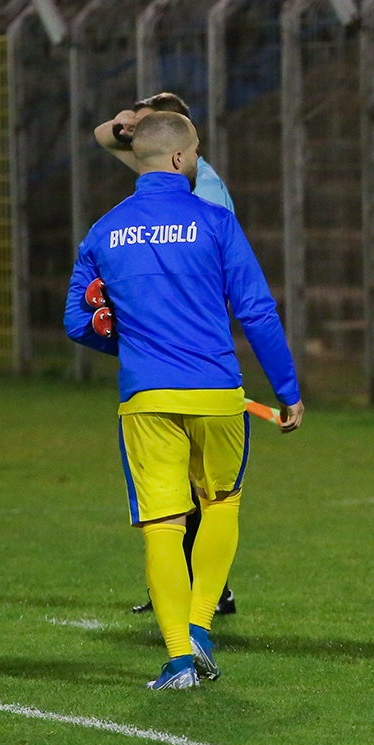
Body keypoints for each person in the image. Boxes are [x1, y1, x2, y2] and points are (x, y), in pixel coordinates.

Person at [64, 112, 304, 689]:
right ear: (178, 158)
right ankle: (199, 628)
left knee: (164, 526)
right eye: (195, 150)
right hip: (217, 395)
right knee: (220, 505)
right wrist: (288, 390)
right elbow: (257, 311)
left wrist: (134, 340)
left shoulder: (103, 230)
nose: (197, 159)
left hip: (146, 397)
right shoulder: (216, 221)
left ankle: (178, 661)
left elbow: (77, 320)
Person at [95, 91, 239, 616]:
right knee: (192, 488)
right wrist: (127, 122)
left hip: (191, 351)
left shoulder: (205, 190)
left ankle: (200, 600)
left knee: (195, 491)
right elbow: (103, 135)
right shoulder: (169, 171)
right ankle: (193, 596)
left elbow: (221, 278)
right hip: (183, 352)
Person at [95, 91, 234, 211]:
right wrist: (120, 124)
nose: (142, 133)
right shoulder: (161, 168)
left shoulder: (207, 189)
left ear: (176, 129)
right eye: (139, 130)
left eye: (150, 126)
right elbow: (101, 135)